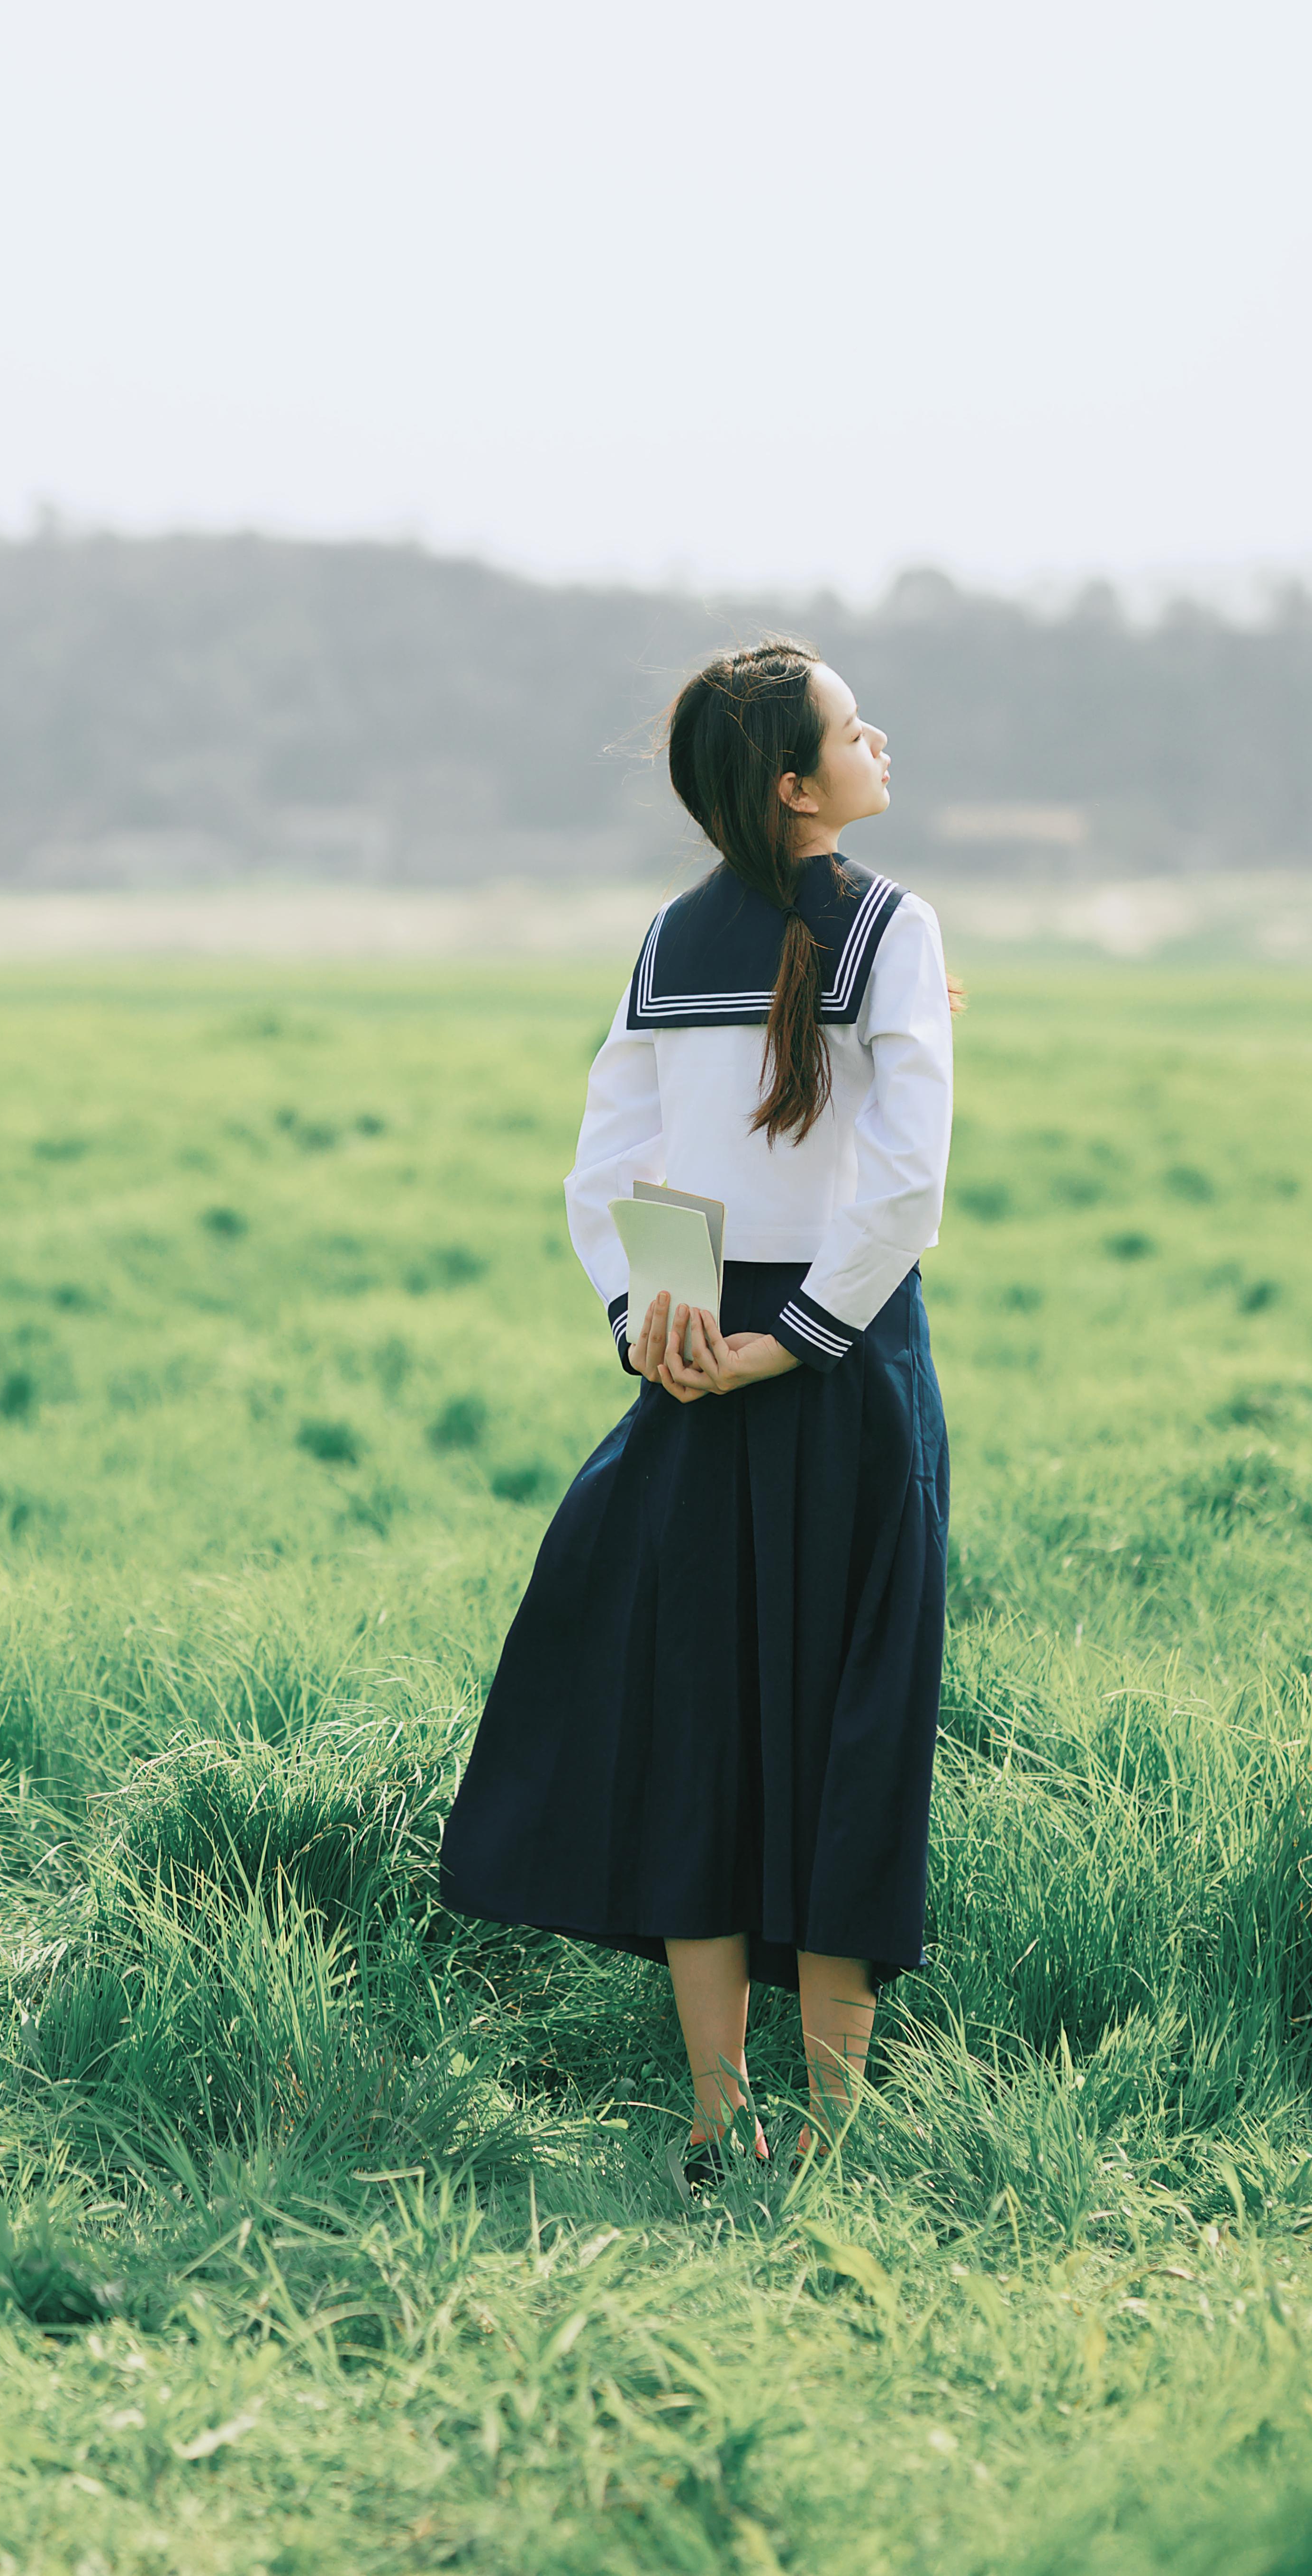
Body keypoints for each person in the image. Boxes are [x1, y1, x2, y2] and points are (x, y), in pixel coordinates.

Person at [437, 637, 956, 2190]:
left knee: (699, 1733)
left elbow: (612, 1167)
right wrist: (796, 1340)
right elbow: (906, 1179)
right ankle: (834, 2129)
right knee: (849, 1728)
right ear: (798, 788)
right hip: (845, 1373)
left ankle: (718, 2121)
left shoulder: (668, 936)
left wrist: (653, 1325)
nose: (881, 744)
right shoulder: (898, 926)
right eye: (855, 732)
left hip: (697, 1353)